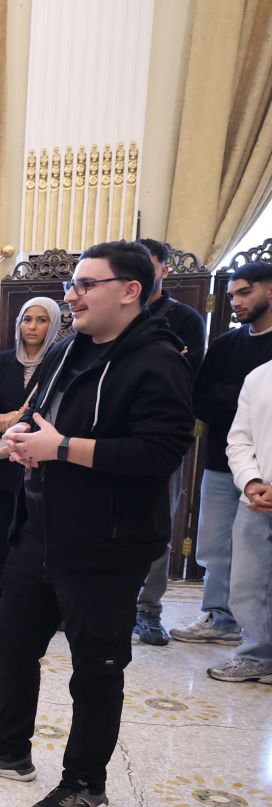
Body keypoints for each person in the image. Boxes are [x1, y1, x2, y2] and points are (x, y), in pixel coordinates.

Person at [0, 241, 194, 807]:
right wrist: (23, 438)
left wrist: (61, 448)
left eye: (85, 284)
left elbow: (160, 452)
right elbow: (39, 416)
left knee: (96, 666)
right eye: (71, 286)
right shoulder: (67, 348)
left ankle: (85, 785)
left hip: (107, 539)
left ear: (129, 291)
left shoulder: (158, 360)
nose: (72, 296)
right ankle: (8, 749)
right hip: (40, 526)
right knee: (13, 641)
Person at [172, 262, 272, 646]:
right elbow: (201, 400)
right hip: (221, 460)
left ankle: (258, 634)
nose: (236, 302)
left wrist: (232, 394)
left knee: (257, 552)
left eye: (244, 292)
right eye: (231, 296)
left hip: (266, 468)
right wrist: (244, 396)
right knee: (215, 547)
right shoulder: (226, 344)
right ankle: (219, 617)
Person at [132, 237, 209, 645]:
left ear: (164, 269)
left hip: (159, 439)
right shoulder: (115, 311)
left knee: (157, 522)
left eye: (147, 263)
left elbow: (182, 380)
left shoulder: (185, 319)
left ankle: (148, 608)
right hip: (107, 438)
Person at [0, 297, 63, 622]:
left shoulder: (61, 363)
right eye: (27, 319)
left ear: (53, 325)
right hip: (0, 463)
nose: (33, 327)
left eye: (41, 320)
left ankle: (38, 607)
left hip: (41, 463)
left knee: (37, 539)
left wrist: (19, 423)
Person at [212, 352, 272, 681]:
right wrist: (250, 482)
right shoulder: (259, 376)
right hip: (257, 497)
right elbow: (239, 440)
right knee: (248, 582)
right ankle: (256, 655)